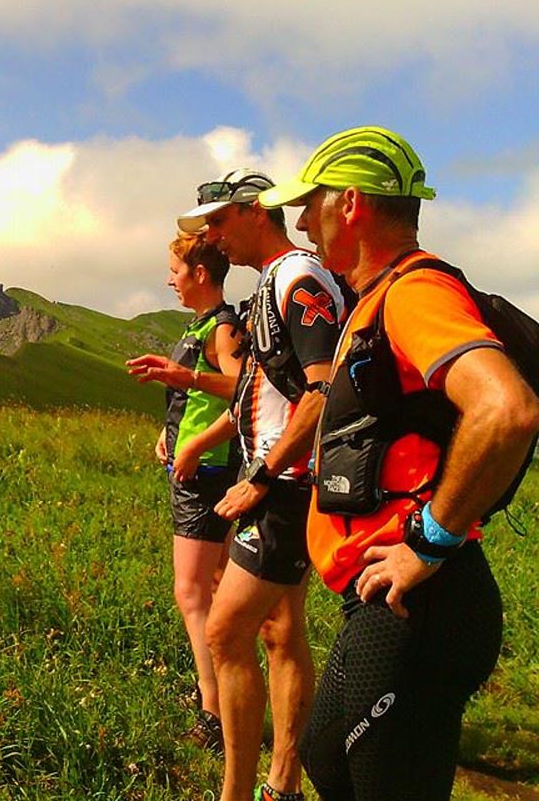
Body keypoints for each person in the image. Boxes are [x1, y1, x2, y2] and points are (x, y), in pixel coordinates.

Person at [257, 125, 539, 801]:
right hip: (382, 601)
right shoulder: (374, 299)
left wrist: (429, 542)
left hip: (424, 601)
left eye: (311, 202)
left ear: (349, 204)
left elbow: (506, 409)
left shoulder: (414, 293)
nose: (300, 221)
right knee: (327, 755)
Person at [175, 168, 346, 801]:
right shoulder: (275, 283)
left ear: (255, 214)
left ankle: (238, 793)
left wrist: (262, 479)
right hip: (284, 480)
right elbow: (267, 391)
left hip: (287, 485)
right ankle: (283, 783)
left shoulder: (297, 279)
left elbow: (323, 392)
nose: (213, 239)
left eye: (219, 222)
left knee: (224, 632)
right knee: (279, 627)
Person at [127, 231, 243, 751]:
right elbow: (195, 398)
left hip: (206, 473)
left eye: (175, 270)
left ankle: (213, 714)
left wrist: (183, 377)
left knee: (191, 593)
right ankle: (226, 696)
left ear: (200, 274)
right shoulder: (200, 324)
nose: (169, 280)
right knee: (213, 587)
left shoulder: (222, 327)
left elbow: (243, 387)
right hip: (196, 463)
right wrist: (169, 432)